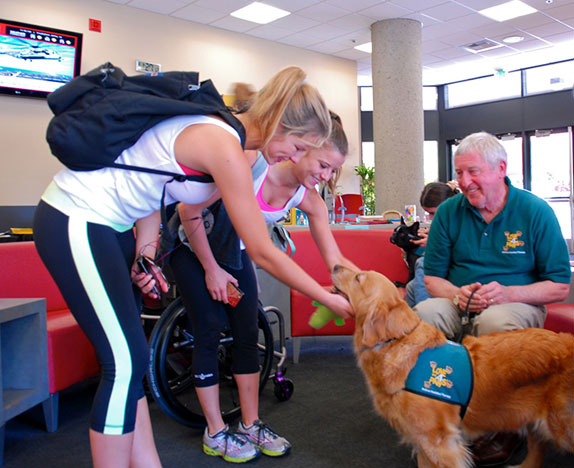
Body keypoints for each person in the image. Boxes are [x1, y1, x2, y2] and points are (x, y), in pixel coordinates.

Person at [33, 66, 353, 468]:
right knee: (126, 362)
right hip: (75, 217)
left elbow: (152, 186)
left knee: (129, 366)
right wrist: (325, 297)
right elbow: (261, 250)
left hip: (112, 228)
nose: (297, 159)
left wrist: (145, 255)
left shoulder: (225, 135)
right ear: (277, 123)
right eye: (300, 147)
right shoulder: (222, 143)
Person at [171, 112, 358, 463]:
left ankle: (250, 423)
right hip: (194, 247)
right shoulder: (252, 163)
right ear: (302, 147)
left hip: (235, 252)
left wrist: (375, 289)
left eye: (333, 171)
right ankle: (214, 432)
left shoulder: (309, 199)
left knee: (247, 331)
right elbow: (186, 211)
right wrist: (211, 269)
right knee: (209, 329)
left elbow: (337, 263)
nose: (326, 176)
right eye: (323, 165)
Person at [413, 131, 571, 465]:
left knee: (495, 322)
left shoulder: (535, 211)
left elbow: (559, 285)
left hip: (518, 304)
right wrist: (459, 294)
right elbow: (431, 279)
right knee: (424, 315)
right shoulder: (448, 213)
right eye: (459, 173)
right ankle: (439, 413)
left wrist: (509, 293)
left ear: (501, 169)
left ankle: (503, 427)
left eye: (473, 172)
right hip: (459, 300)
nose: (464, 181)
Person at [404, 181, 460, 307]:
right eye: (428, 213)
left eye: (433, 213)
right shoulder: (447, 222)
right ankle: (416, 320)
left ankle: (426, 316)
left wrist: (434, 245)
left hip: (463, 272)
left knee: (422, 264)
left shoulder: (464, 220)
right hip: (448, 270)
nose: (431, 218)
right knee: (411, 287)